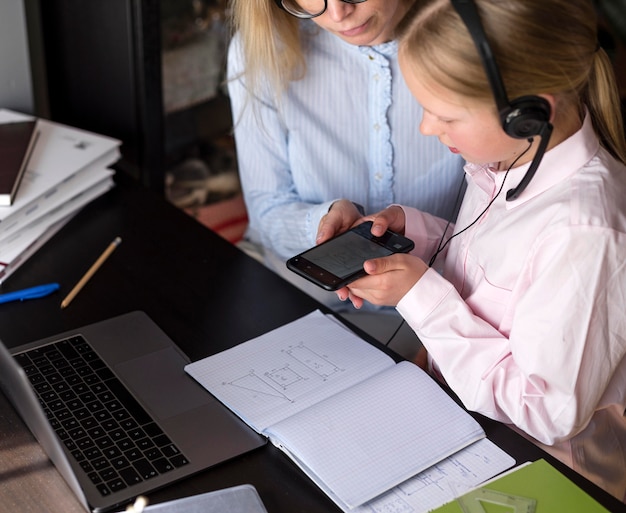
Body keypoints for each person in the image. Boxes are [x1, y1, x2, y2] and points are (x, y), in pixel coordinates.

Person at [333, 0, 626, 501]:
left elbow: (545, 411)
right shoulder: (509, 159)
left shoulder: (585, 233)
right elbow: (508, 277)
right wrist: (418, 233)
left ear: (528, 113)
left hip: (540, 470)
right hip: (459, 419)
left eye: (444, 114)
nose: (427, 127)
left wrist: (421, 295)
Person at [226, 0, 465, 314]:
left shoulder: (475, 40)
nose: (338, 15)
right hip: (296, 294)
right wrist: (320, 224)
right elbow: (267, 209)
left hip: (441, 303)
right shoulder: (262, 46)